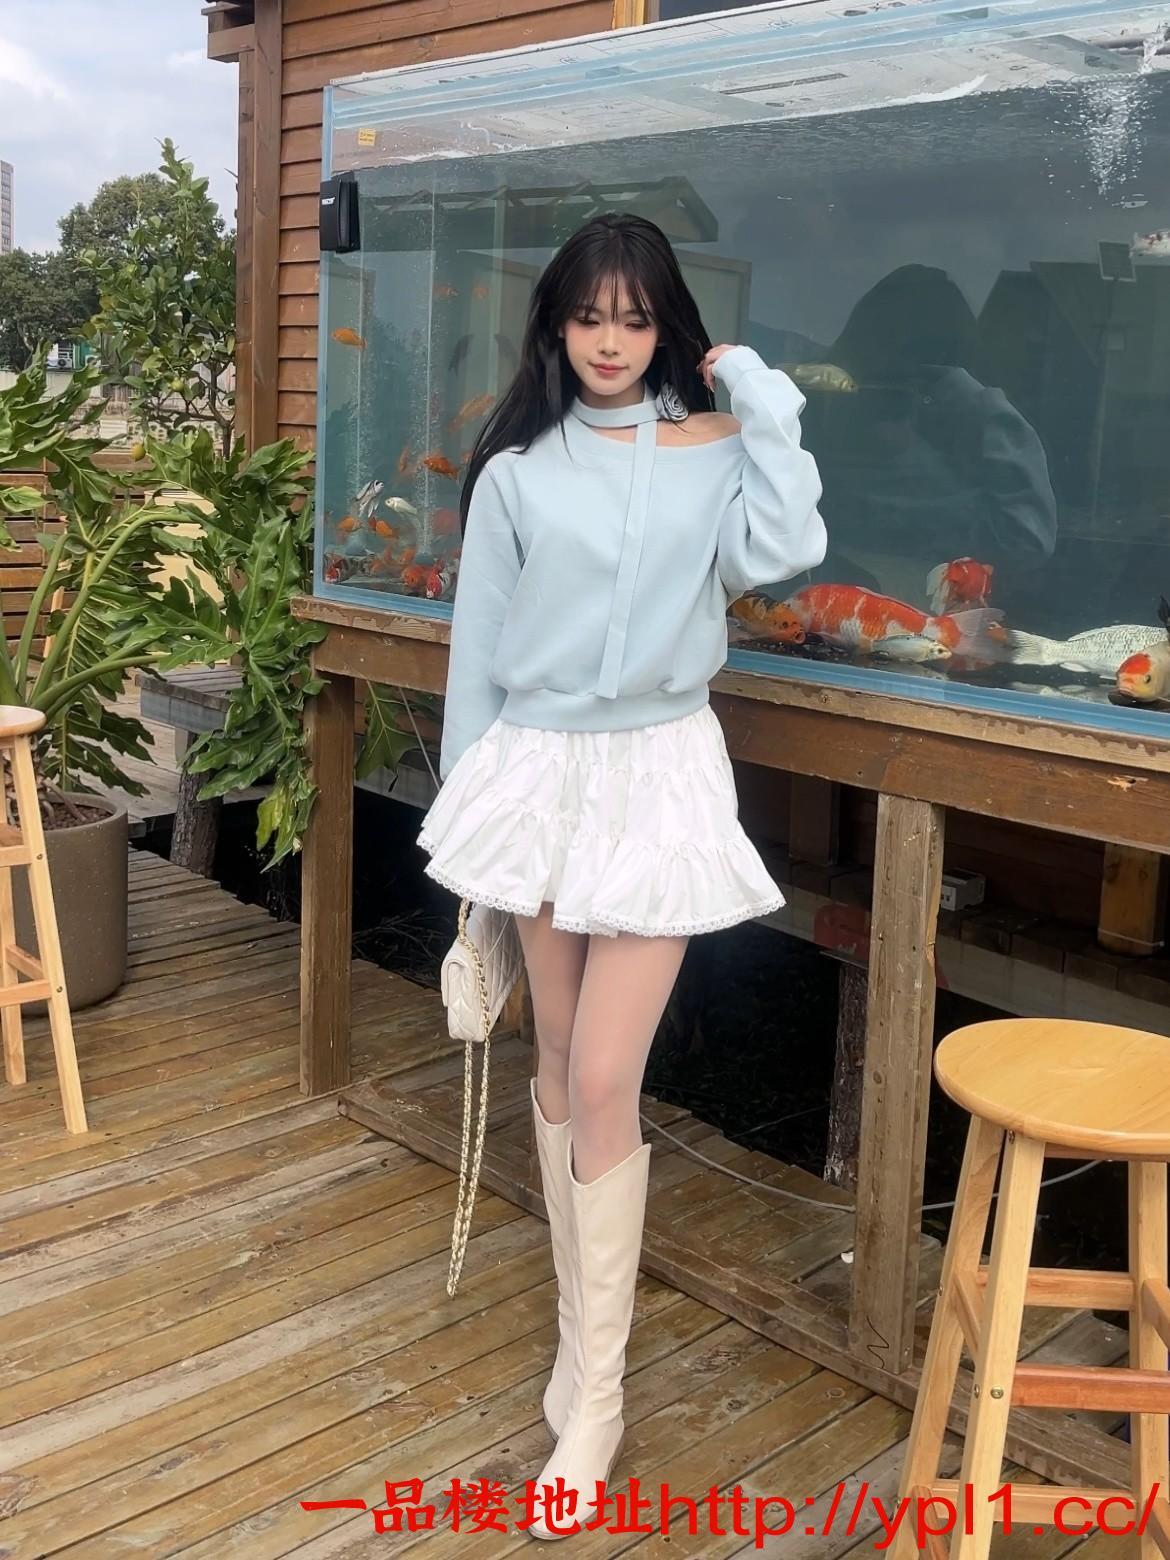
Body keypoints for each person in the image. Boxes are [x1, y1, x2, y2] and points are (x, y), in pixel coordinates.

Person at [415, 212, 826, 1539]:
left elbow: (784, 550)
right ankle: (575, 1353)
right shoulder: (515, 473)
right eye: (589, 315)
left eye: (634, 317)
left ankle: (594, 1403)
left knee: (602, 1075)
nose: (609, 340)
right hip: (537, 774)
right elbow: (476, 655)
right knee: (551, 1060)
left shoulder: (712, 449)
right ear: (556, 322)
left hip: (658, 775)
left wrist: (759, 395)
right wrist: (470, 832)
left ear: (666, 328)